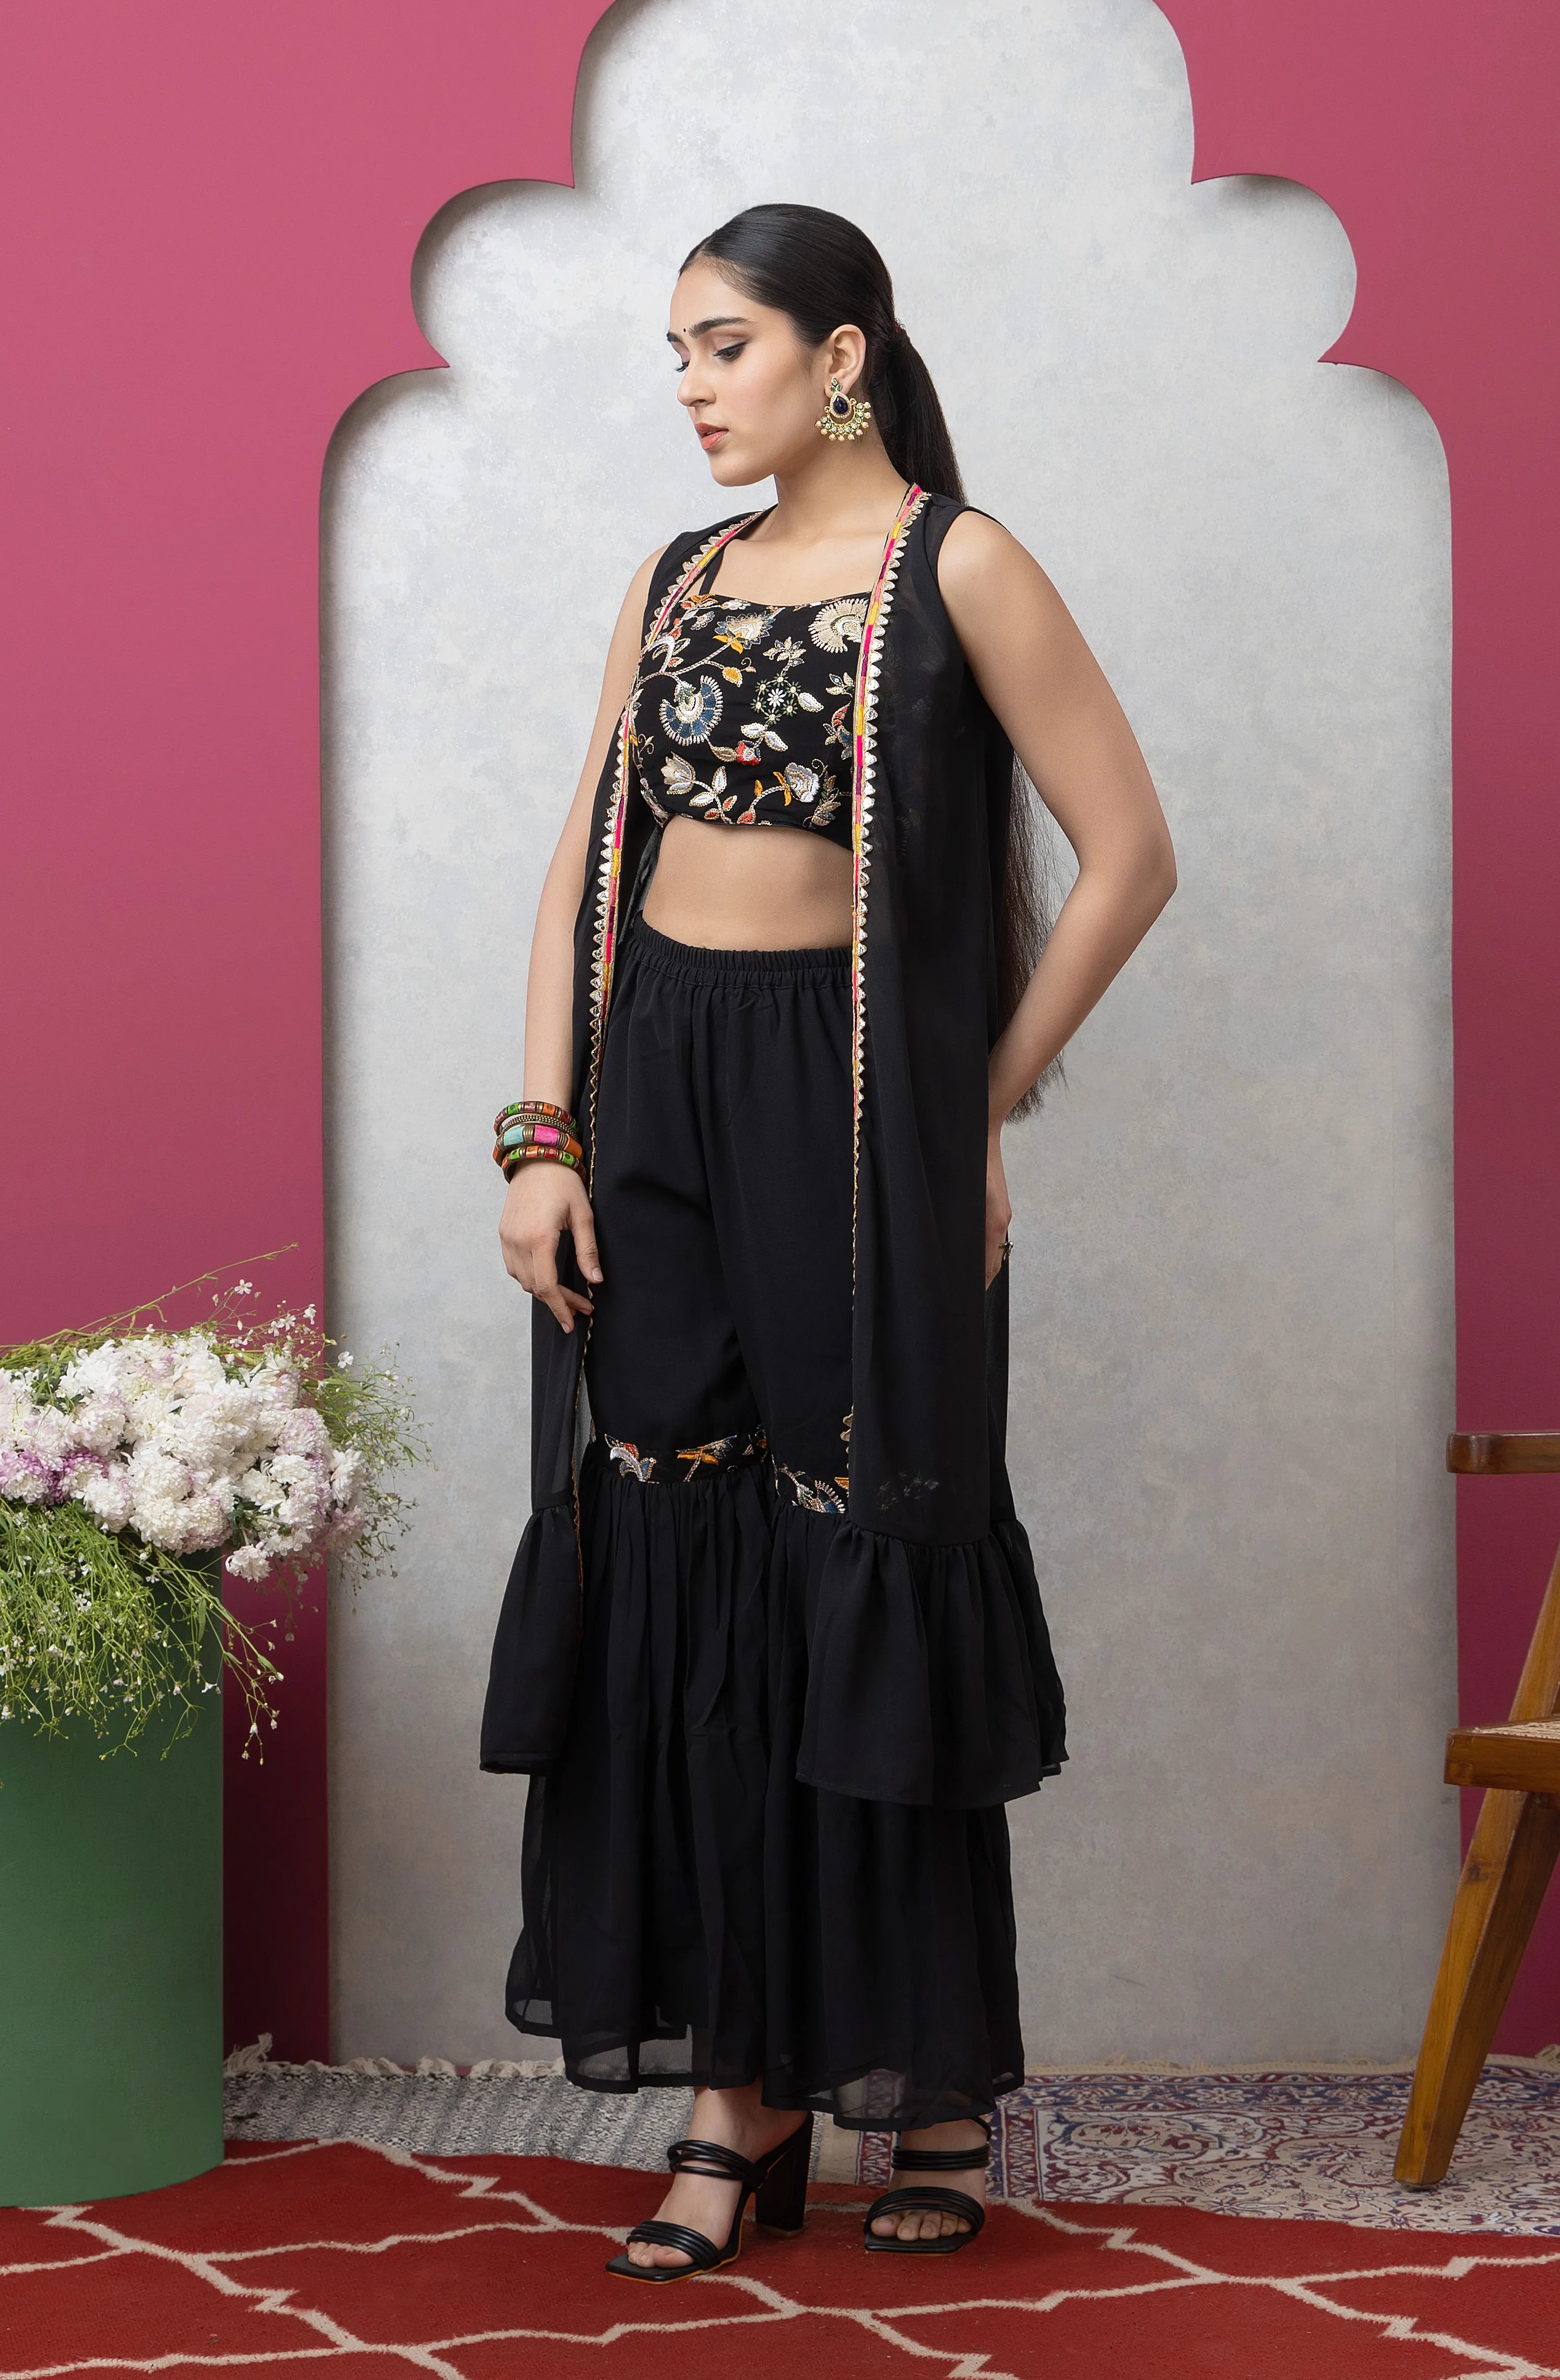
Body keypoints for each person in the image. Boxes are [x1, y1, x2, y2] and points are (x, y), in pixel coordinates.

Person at [480, 203, 1175, 2281]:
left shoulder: (955, 565)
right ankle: (739, 2090)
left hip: (853, 1102)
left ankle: (926, 2082)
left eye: (723, 344)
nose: (690, 384)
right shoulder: (677, 578)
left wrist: (968, 1102)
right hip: (657, 1088)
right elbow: (582, 851)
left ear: (841, 354)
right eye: (673, 352)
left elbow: (1129, 854)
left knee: (872, 1545)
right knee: (684, 1558)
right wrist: (541, 1137)